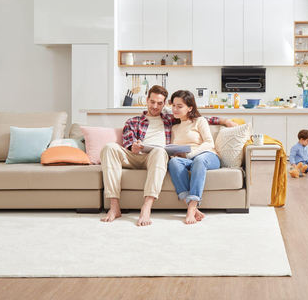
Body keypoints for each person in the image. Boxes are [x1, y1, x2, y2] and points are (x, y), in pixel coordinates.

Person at [100, 85, 236, 226]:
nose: (155, 106)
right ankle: (114, 206)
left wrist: (224, 120)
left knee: (160, 151)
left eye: (159, 103)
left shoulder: (170, 119)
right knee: (109, 147)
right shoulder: (133, 121)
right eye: (152, 102)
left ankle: (146, 207)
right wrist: (132, 146)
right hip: (134, 156)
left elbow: (195, 117)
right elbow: (128, 142)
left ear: (165, 104)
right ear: (147, 100)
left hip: (155, 157)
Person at [167, 90, 221, 225]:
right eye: (173, 105)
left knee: (199, 159)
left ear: (190, 108)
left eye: (180, 106)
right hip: (187, 160)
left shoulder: (199, 121)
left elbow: (209, 143)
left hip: (208, 156)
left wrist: (190, 154)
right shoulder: (175, 127)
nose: (175, 109)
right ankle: (192, 207)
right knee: (173, 162)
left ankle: (192, 208)